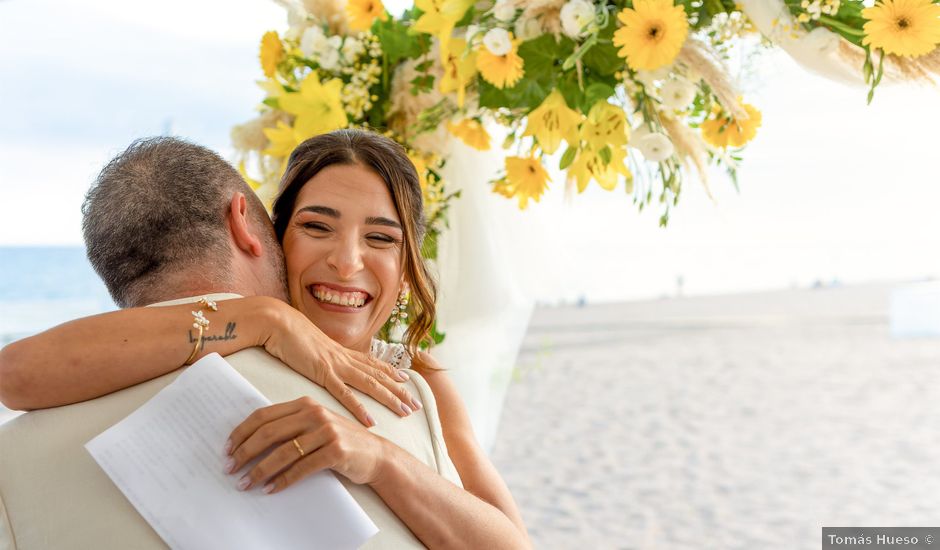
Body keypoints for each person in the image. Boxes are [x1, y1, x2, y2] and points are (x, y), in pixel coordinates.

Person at [0, 130, 531, 548]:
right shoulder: (230, 333)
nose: (346, 261)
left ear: (407, 264)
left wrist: (379, 458)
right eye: (317, 227)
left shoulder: (418, 376)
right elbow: (18, 371)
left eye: (380, 238)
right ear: (272, 237)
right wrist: (259, 318)